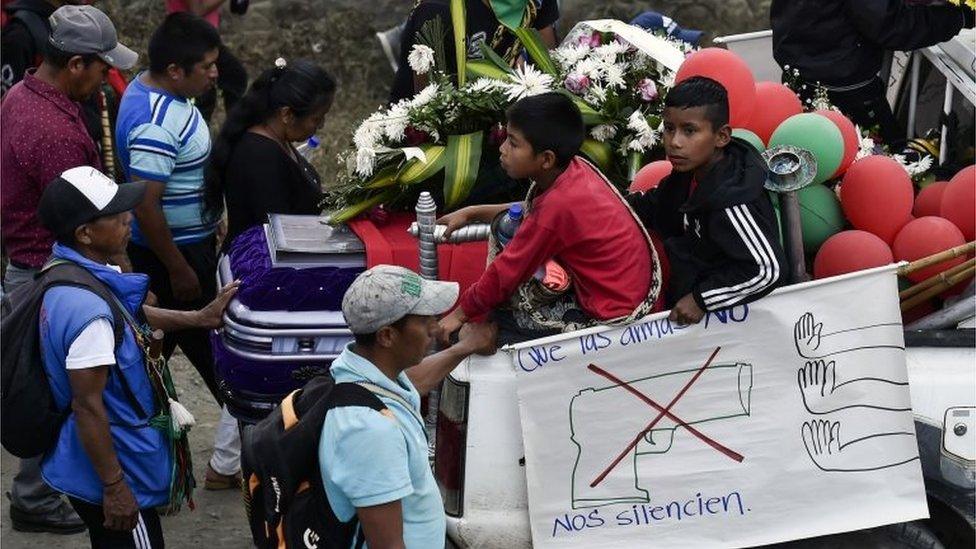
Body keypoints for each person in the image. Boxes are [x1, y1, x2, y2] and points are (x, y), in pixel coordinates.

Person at [35, 165, 239, 548]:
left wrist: (199, 318)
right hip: (114, 472)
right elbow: (88, 406)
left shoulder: (70, 272)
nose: (129, 218)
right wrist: (115, 488)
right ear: (85, 233)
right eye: (115, 215)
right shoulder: (88, 312)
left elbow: (123, 317)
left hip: (84, 464)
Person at [0, 4, 137, 534]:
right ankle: (37, 493)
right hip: (47, 272)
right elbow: (90, 218)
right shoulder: (54, 130)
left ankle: (36, 489)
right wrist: (119, 269)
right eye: (102, 68)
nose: (107, 78)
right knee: (59, 391)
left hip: (29, 263)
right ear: (76, 63)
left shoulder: (23, 93)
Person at [115, 12, 239, 489]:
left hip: (186, 246)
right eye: (206, 66)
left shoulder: (149, 91)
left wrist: (212, 211)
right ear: (174, 71)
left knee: (154, 359)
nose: (215, 73)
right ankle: (226, 458)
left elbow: (178, 176)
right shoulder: (155, 119)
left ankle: (169, 456)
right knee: (212, 353)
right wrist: (178, 266)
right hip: (176, 258)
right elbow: (147, 203)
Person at [437, 92, 657, 341]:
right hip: (620, 290)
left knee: (497, 323)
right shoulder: (574, 169)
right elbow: (537, 211)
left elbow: (506, 272)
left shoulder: (559, 205)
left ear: (546, 159)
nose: (502, 149)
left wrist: (458, 315)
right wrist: (472, 212)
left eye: (513, 142)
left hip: (611, 311)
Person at [321, 265, 496, 548]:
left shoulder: (363, 375)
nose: (436, 328)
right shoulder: (371, 431)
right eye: (424, 320)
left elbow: (411, 384)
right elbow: (387, 545)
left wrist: (463, 348)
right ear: (387, 336)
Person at [627, 76, 786, 325]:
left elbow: (767, 270)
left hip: (733, 321)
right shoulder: (688, 172)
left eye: (689, 131)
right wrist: (609, 204)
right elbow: (655, 205)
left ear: (721, 137)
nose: (675, 142)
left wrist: (702, 299)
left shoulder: (733, 199)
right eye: (669, 129)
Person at [771, 0, 974, 146]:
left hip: (801, 78)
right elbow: (892, 25)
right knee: (892, 165)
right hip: (844, 91)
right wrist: (959, 17)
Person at [205, 57, 336, 250]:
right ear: (287, 115)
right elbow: (276, 237)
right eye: (316, 119)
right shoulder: (260, 157)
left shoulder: (279, 139)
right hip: (258, 268)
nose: (321, 126)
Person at [389, 0, 559, 103]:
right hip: (429, 134)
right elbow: (428, 103)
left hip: (499, 120)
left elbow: (549, 66)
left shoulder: (532, 3)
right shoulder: (438, 9)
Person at [164, 0, 249, 123]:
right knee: (203, 95)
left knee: (235, 77)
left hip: (205, 39)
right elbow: (197, 10)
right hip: (188, 39)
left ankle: (233, 134)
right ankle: (196, 135)